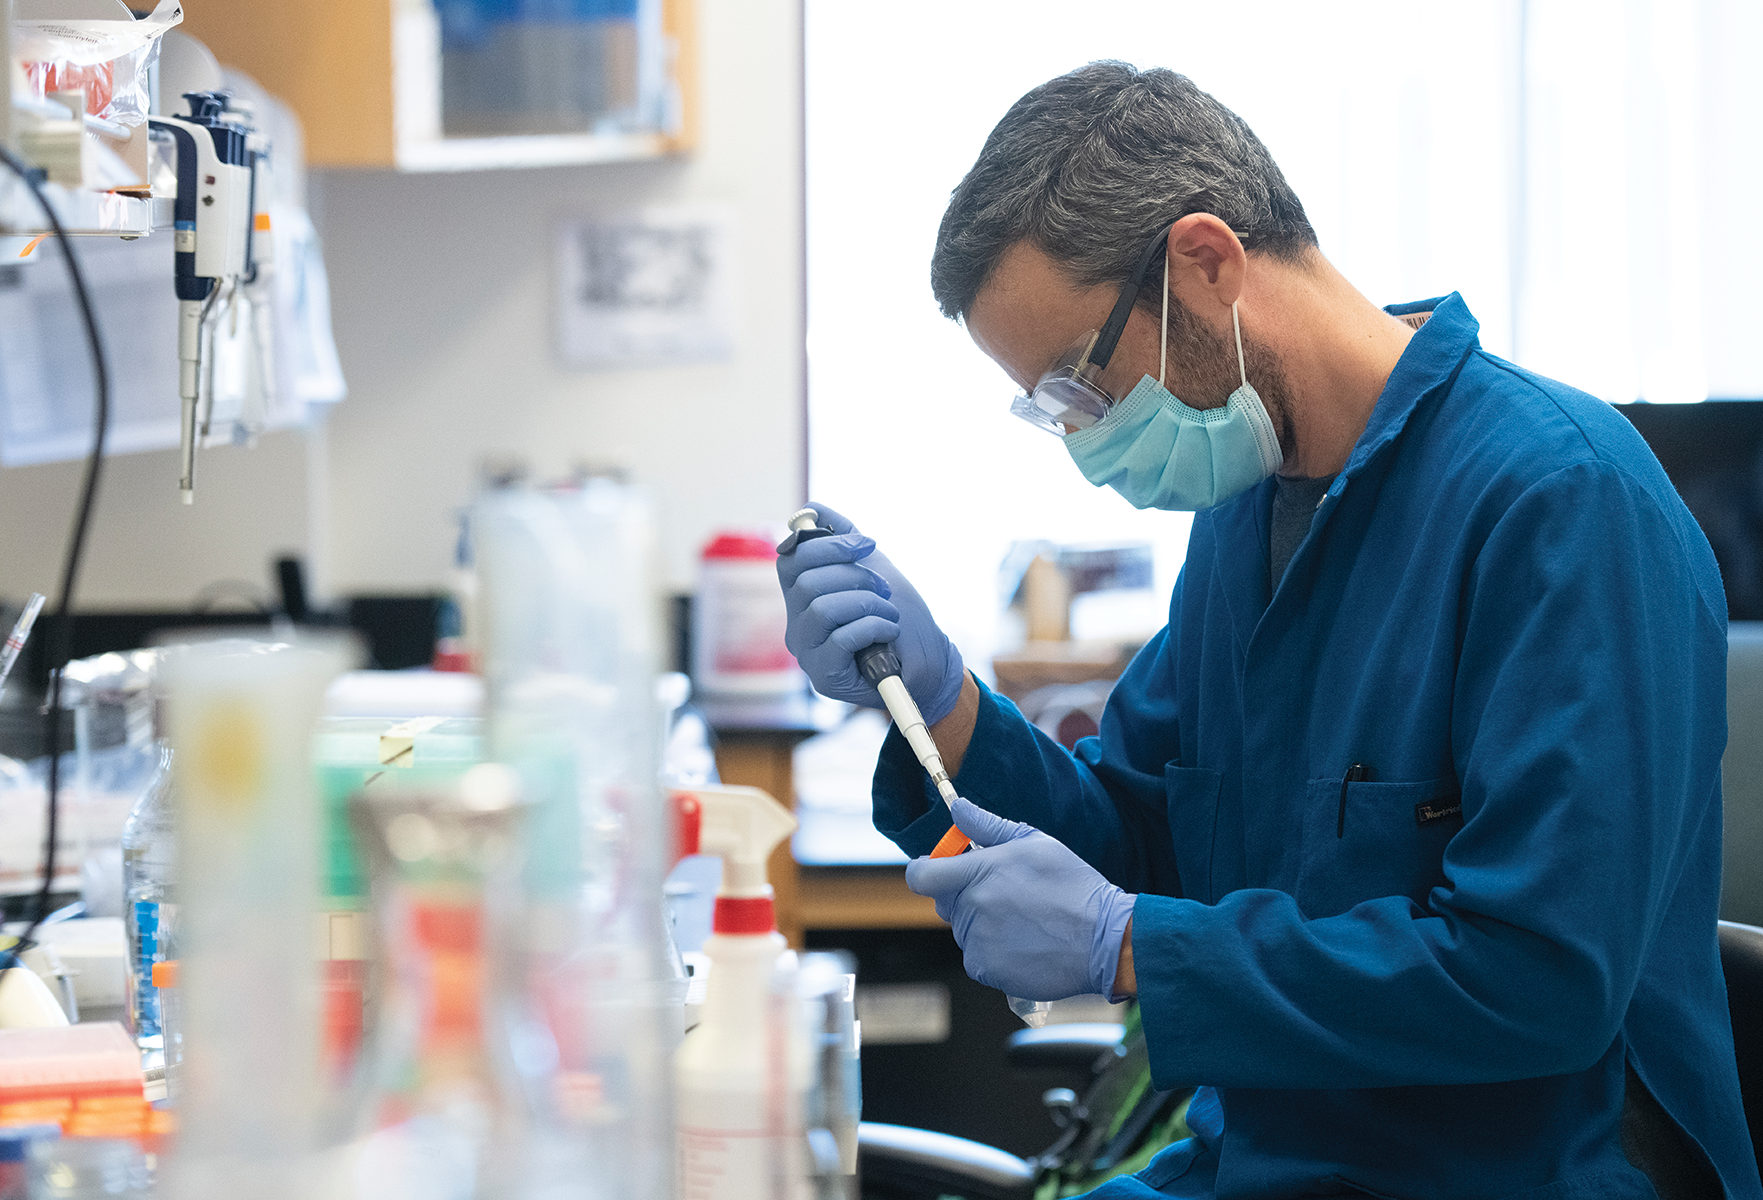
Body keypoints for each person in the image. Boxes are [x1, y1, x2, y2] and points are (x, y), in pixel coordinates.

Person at [777, 62, 1759, 1200]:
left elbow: (1537, 978)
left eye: (1078, 389)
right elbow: (1139, 840)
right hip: (1254, 1162)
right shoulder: (1248, 510)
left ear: (1202, 263)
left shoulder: (1561, 507)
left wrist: (1131, 946)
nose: (1083, 444)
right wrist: (941, 704)